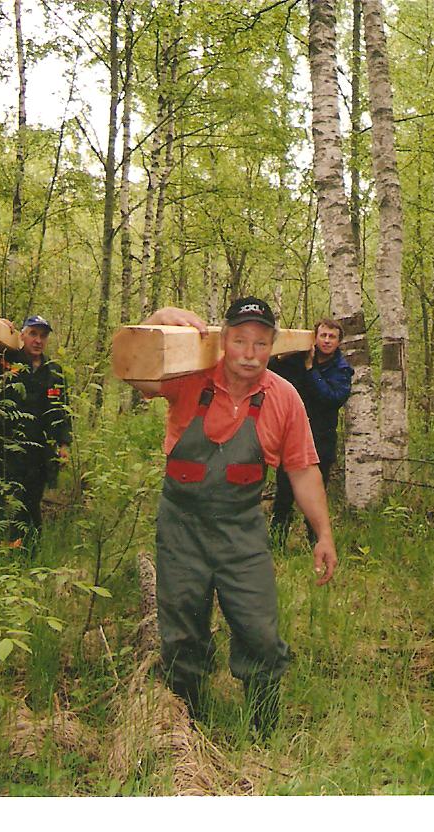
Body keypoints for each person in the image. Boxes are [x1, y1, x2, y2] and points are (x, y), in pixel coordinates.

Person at [124, 297, 338, 737]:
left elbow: (302, 469)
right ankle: (186, 731)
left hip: (242, 529)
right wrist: (156, 320)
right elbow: (133, 369)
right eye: (240, 341)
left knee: (260, 630)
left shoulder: (284, 398)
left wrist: (323, 534)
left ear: (273, 346)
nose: (249, 354)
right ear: (224, 341)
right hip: (181, 525)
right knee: (182, 632)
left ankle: (263, 732)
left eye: (260, 344)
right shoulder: (190, 378)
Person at [0, 315, 72, 550]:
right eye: (33, 334)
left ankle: (31, 556)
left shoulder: (54, 372)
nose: (38, 340)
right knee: (9, 504)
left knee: (32, 505)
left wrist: (64, 445)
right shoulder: (5, 360)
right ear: (22, 335)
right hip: (7, 449)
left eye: (43, 336)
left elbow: (62, 413)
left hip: (40, 453)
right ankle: (8, 556)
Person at [267, 317, 352, 546]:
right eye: (323, 335)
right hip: (292, 437)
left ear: (339, 342)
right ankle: (277, 542)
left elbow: (332, 398)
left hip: (321, 439)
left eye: (332, 337)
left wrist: (311, 370)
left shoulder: (342, 369)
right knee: (284, 494)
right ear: (315, 338)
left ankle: (316, 544)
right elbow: (270, 372)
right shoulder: (299, 358)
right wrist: (281, 356)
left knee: (315, 495)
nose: (327, 340)